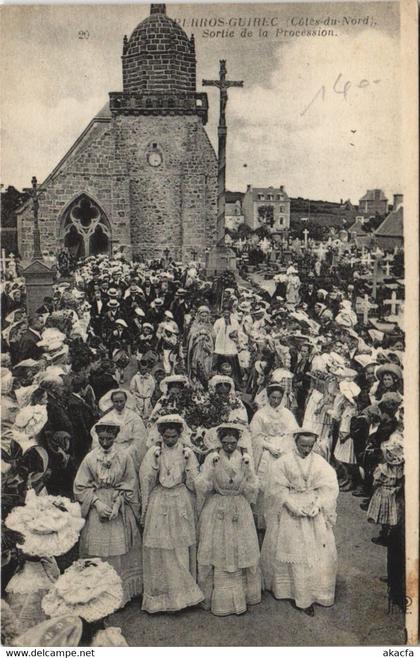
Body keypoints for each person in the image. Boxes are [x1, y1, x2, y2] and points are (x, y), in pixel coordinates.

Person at [261, 428, 339, 617]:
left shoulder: (320, 462)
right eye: (302, 445)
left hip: (313, 510)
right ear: (295, 441)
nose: (306, 449)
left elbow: (329, 487)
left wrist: (318, 504)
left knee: (315, 551)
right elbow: (276, 488)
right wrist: (291, 505)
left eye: (310, 446)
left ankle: (316, 592)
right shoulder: (284, 462)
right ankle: (295, 593)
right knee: (295, 550)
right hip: (291, 510)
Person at [139, 415, 203, 613]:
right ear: (161, 435)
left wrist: (194, 477)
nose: (170, 440)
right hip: (160, 500)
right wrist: (145, 506)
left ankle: (183, 594)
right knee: (161, 547)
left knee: (180, 546)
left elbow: (194, 482)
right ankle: (162, 596)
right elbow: (147, 480)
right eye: (166, 437)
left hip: (180, 499)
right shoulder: (154, 453)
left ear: (179, 434)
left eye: (173, 436)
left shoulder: (187, 453)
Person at [74, 420, 142, 606]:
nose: (105, 442)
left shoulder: (124, 456)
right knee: (98, 548)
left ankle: (117, 595)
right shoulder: (90, 458)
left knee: (118, 547)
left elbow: (130, 481)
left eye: (109, 439)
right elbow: (80, 486)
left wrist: (119, 502)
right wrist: (96, 503)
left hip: (117, 506)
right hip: (97, 505)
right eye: (102, 438)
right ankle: (98, 594)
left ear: (115, 437)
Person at [195, 423, 261, 616]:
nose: (229, 446)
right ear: (220, 442)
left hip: (239, 506)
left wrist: (248, 471)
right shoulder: (212, 458)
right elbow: (202, 485)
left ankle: (244, 596)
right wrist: (210, 470)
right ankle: (213, 597)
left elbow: (253, 486)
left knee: (240, 547)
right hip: (218, 505)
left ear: (238, 442)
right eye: (226, 443)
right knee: (216, 547)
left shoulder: (245, 459)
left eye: (233, 443)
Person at [250, 383, 299, 530]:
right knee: (266, 484)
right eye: (273, 398)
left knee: (282, 483)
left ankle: (280, 517)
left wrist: (284, 447)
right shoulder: (260, 415)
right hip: (267, 449)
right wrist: (269, 447)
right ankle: (264, 521)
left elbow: (293, 432)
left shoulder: (287, 414)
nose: (275, 401)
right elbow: (255, 436)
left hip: (284, 447)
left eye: (278, 398)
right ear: (268, 397)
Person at [186, 305, 214, 388]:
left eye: (206, 316)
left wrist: (207, 335)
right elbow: (190, 336)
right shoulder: (195, 326)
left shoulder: (210, 326)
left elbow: (213, 337)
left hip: (206, 350)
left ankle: (204, 382)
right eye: (202, 315)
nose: (204, 317)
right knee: (196, 363)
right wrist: (198, 334)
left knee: (205, 365)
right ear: (199, 316)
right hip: (197, 349)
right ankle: (196, 380)